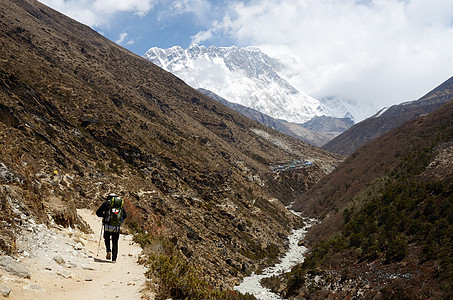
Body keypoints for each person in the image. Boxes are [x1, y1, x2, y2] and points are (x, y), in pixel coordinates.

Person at [96, 193, 127, 262]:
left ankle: (108, 250)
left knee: (106, 239)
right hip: (116, 227)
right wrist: (119, 221)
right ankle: (114, 259)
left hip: (107, 225)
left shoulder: (106, 204)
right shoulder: (120, 206)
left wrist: (104, 216)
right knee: (115, 242)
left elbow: (98, 213)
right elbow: (125, 215)